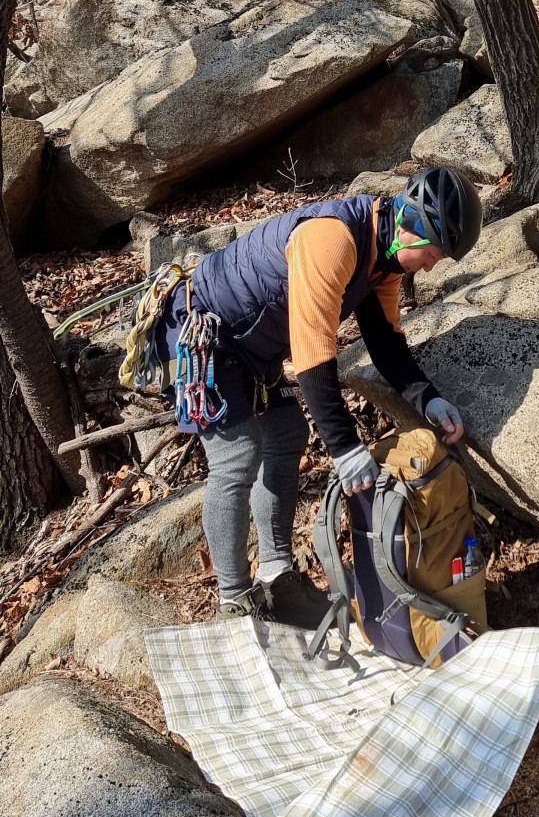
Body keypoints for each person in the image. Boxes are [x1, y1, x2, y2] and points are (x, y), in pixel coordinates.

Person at [157, 166, 483, 627]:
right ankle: (233, 602)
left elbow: (386, 343)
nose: (432, 265)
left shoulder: (382, 260)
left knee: (286, 432)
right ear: (411, 230)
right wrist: (346, 449)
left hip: (254, 343)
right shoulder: (333, 240)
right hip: (204, 328)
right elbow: (313, 356)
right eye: (434, 253)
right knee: (237, 454)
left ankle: (277, 578)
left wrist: (428, 399)